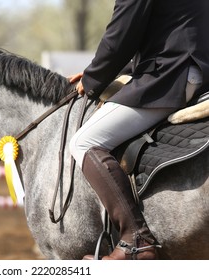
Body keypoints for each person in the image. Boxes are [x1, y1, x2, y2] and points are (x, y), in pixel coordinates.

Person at [68, 0, 209, 260]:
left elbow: (122, 33)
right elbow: (157, 34)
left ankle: (136, 239)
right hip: (192, 67)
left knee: (84, 142)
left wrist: (92, 79)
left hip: (171, 75)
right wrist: (97, 71)